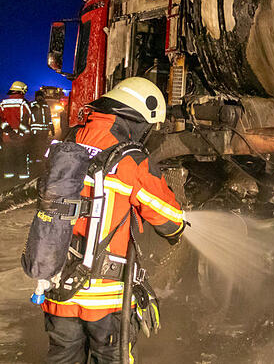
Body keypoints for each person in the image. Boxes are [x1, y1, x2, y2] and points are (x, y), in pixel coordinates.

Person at [41, 77, 185, 364]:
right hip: (105, 299)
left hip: (59, 288)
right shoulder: (130, 159)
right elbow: (169, 218)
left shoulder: (69, 141)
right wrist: (177, 231)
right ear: (137, 118)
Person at [0, 81, 32, 179]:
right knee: (22, 161)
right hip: (21, 139)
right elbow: (26, 121)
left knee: (8, 160)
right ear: (21, 91)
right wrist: (19, 134)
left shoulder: (3, 104)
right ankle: (23, 182)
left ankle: (8, 182)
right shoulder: (23, 103)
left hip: (7, 138)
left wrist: (9, 132)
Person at [29, 89, 55, 166]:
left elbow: (49, 118)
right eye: (39, 97)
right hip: (35, 130)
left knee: (42, 145)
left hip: (44, 130)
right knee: (34, 145)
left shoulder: (46, 105)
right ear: (36, 97)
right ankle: (33, 159)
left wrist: (52, 128)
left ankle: (40, 160)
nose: (40, 98)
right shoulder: (32, 104)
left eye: (41, 97)